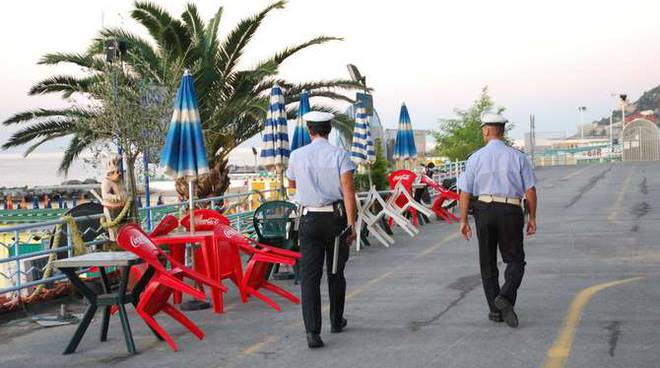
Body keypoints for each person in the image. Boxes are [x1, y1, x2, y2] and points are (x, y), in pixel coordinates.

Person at [457, 111, 537, 328]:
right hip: (510, 210)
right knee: (515, 260)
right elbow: (530, 191)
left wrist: (463, 220)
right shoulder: (518, 157)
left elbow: (465, 192)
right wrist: (532, 218)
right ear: (502, 132)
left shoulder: (475, 158)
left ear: (487, 130)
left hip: (483, 210)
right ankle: (506, 296)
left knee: (487, 262)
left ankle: (496, 310)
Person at [286, 111, 357, 348]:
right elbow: (348, 191)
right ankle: (336, 321)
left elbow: (292, 184)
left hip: (308, 221)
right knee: (335, 272)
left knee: (309, 277)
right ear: (330, 129)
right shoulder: (340, 155)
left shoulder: (296, 155)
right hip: (335, 221)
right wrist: (351, 224)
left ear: (310, 130)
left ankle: (312, 333)